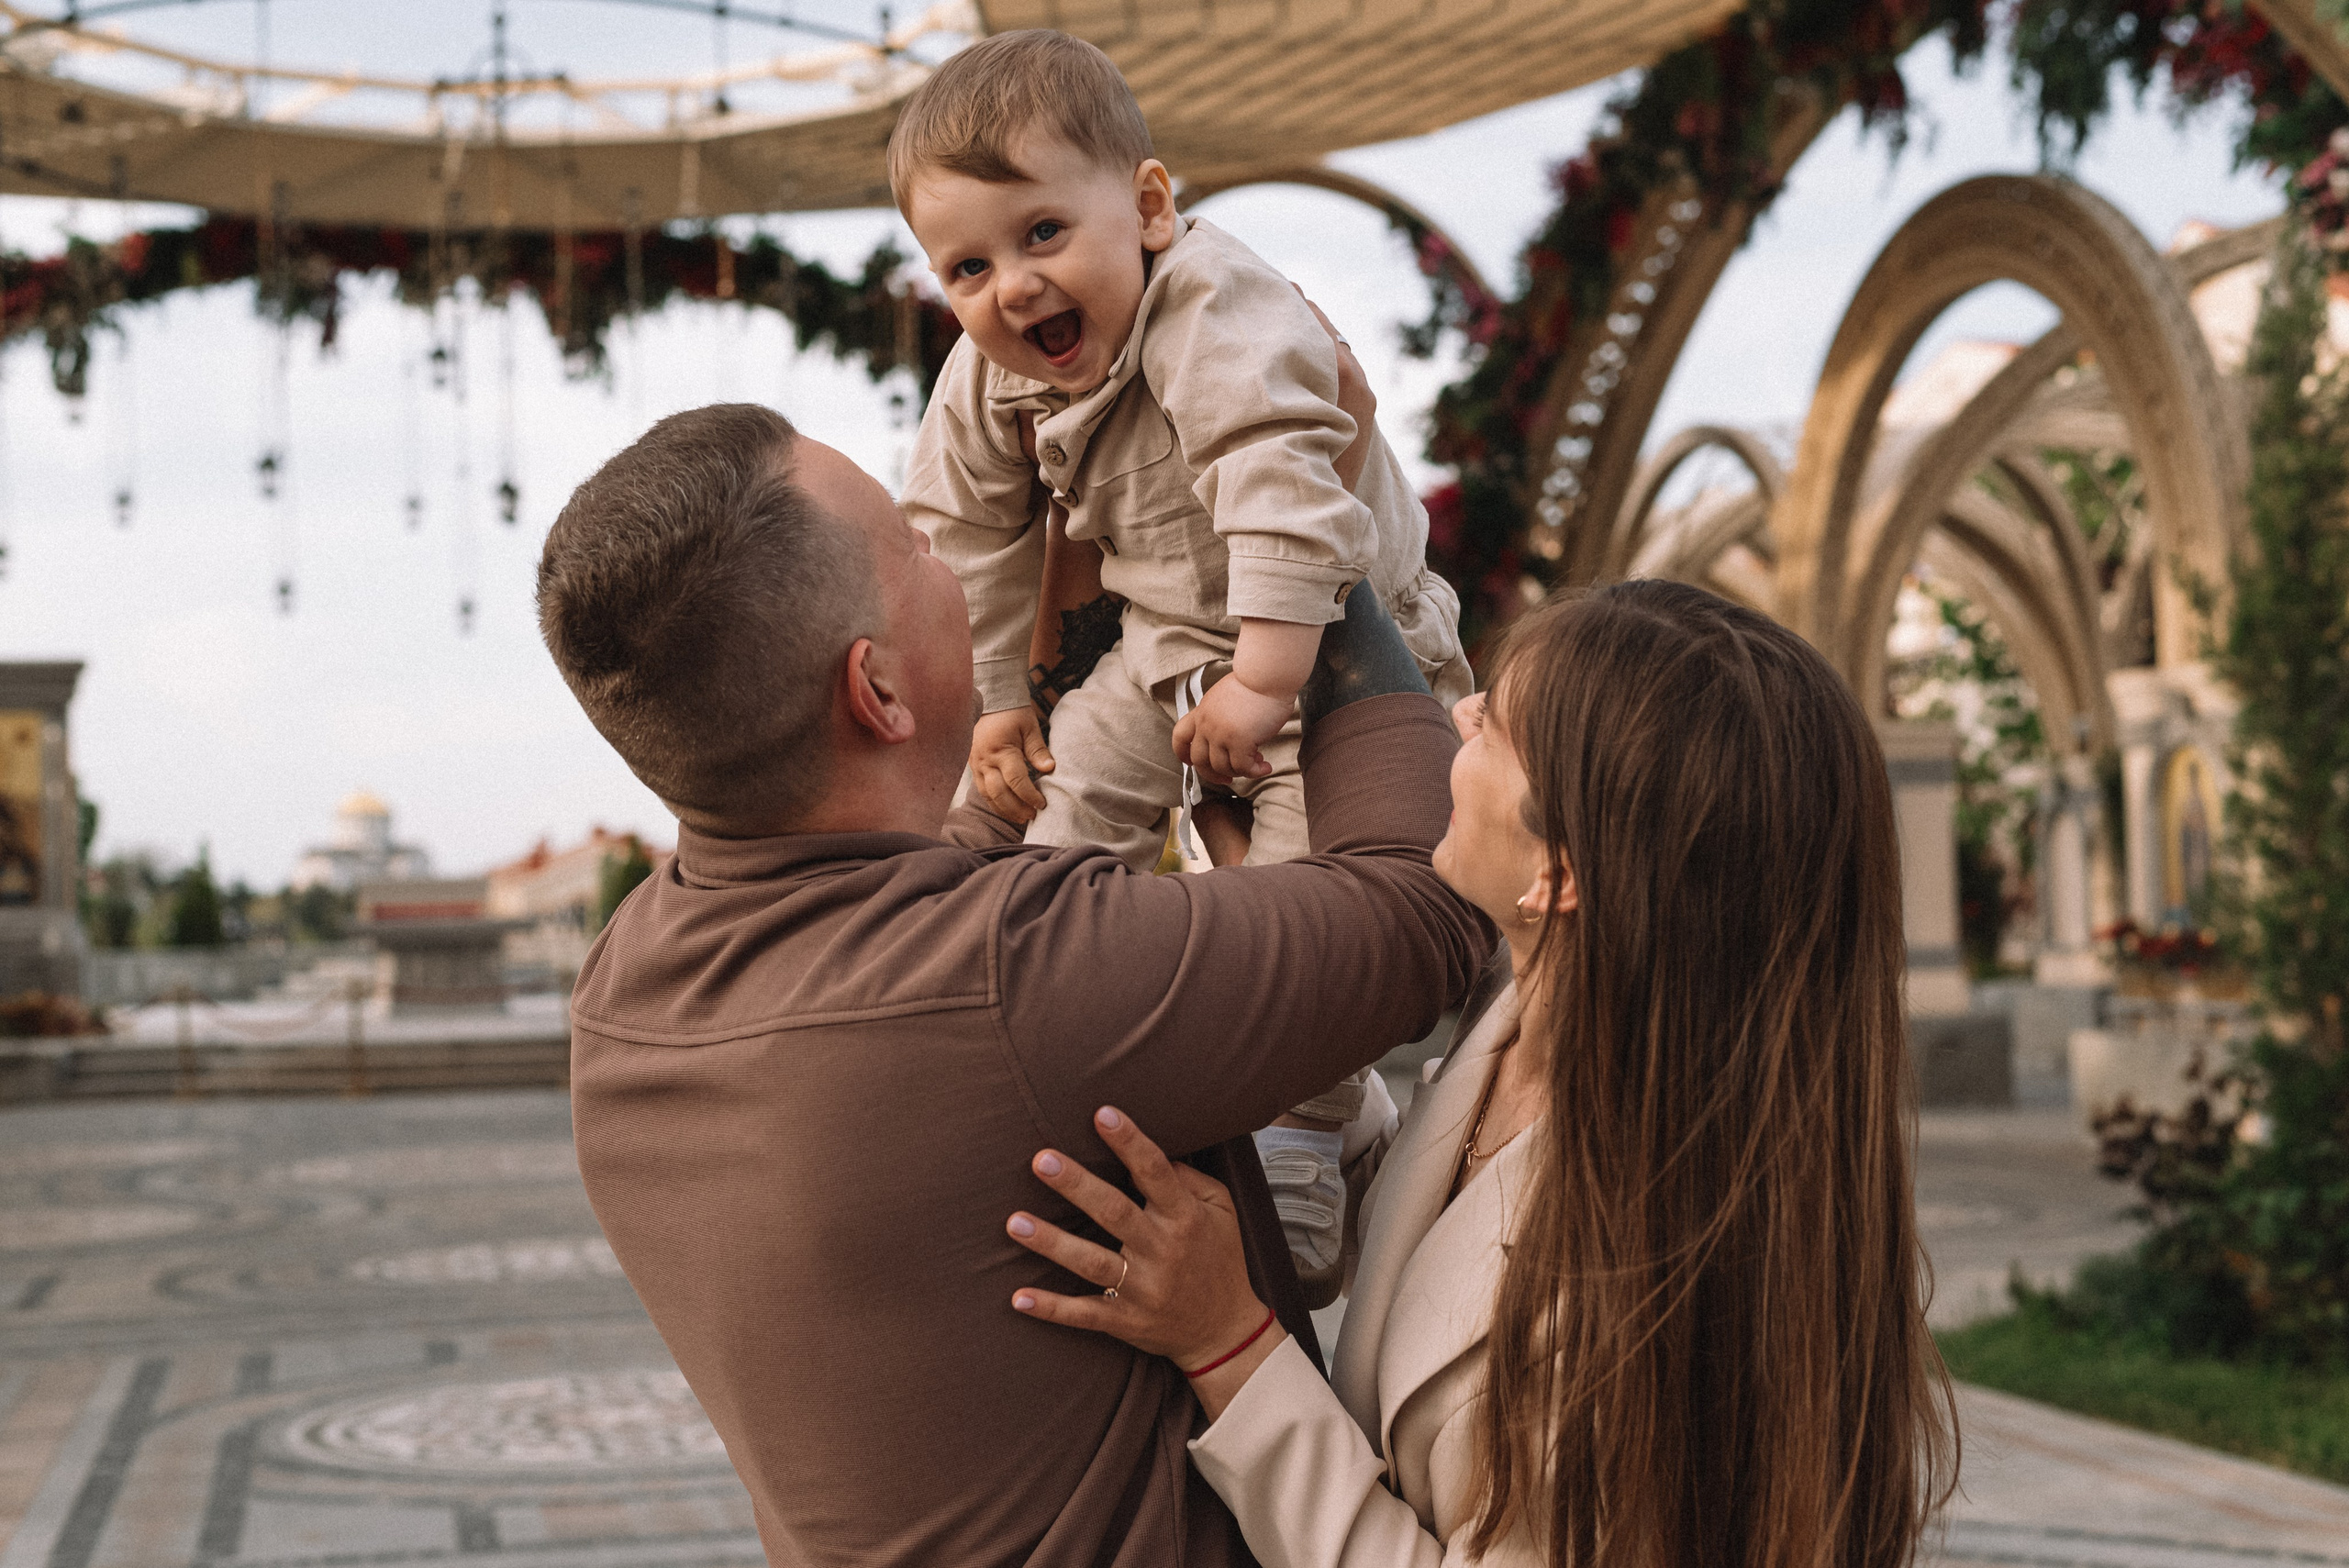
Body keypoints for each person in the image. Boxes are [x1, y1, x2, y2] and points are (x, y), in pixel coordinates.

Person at [539, 398, 1491, 1568]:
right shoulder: (1006, 974)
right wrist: (1299, 536)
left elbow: (964, 850)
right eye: (915, 544)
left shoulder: (626, 990)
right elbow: (1424, 900)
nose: (953, 558)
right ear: (875, 690)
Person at [1004, 580, 1961, 1567]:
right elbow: (1440, 1216)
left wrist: (1229, 1346)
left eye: (1496, 723)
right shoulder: (1529, 1023)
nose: (1459, 712)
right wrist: (1278, 970)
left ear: (1561, 875)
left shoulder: (1658, 1276)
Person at [892, 26, 1473, 1297]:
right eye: (969, 266)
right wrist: (995, 710)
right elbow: (961, 543)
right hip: (1168, 652)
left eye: (1045, 235)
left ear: (1150, 208)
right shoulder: (992, 381)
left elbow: (1281, 480)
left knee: (1311, 897)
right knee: (1057, 825)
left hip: (1341, 650)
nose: (1013, 288)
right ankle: (1040, 1033)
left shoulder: (1213, 302)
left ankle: (1314, 1127)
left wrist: (1266, 680)